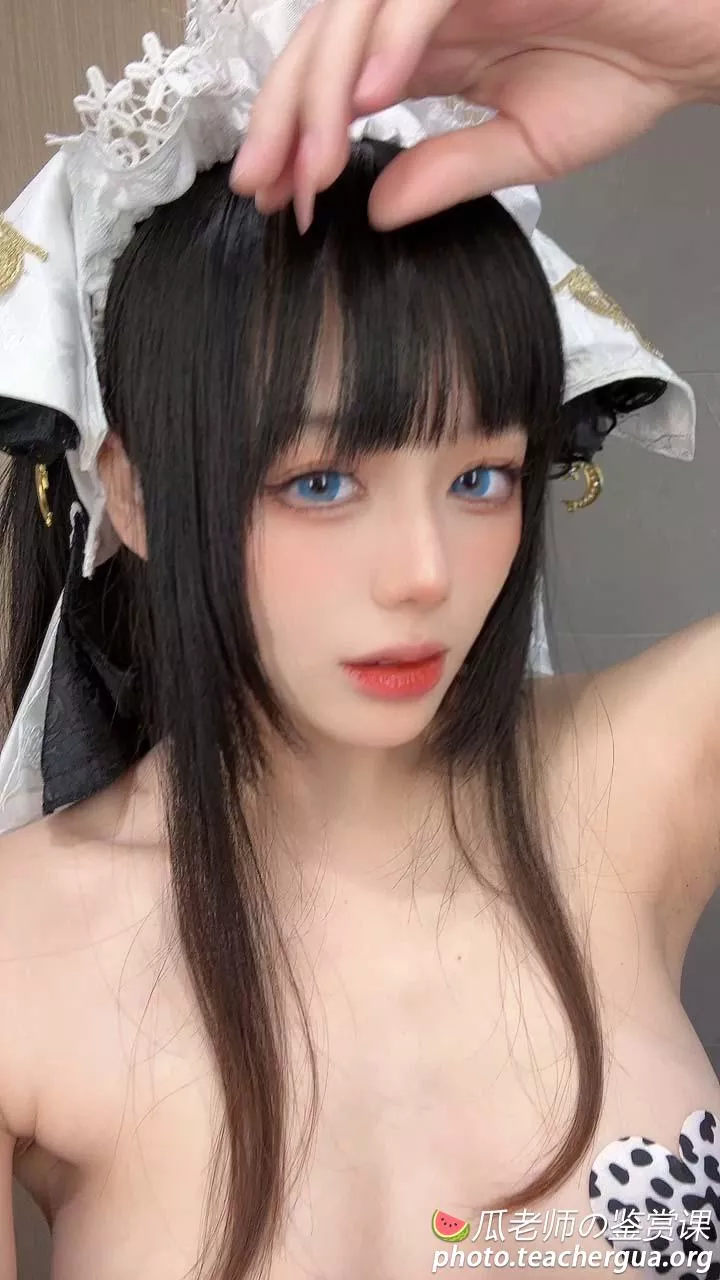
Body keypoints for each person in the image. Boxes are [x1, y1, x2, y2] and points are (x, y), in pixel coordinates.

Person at [0, 4, 717, 1280]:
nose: (425, 573)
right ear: (138, 491)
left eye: (483, 477)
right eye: (322, 482)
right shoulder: (22, 950)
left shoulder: (643, 773)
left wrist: (700, 41)